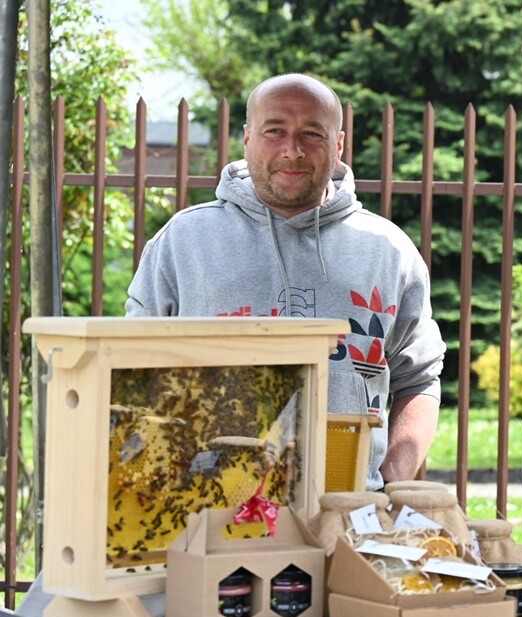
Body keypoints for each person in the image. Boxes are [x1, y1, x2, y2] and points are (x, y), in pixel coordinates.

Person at [125, 73, 446, 490]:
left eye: (312, 134)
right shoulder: (184, 242)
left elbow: (418, 379)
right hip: (205, 509)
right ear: (247, 138)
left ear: (339, 145)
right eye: (274, 131)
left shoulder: (388, 251)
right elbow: (132, 370)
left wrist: (386, 482)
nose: (292, 150)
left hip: (343, 512)